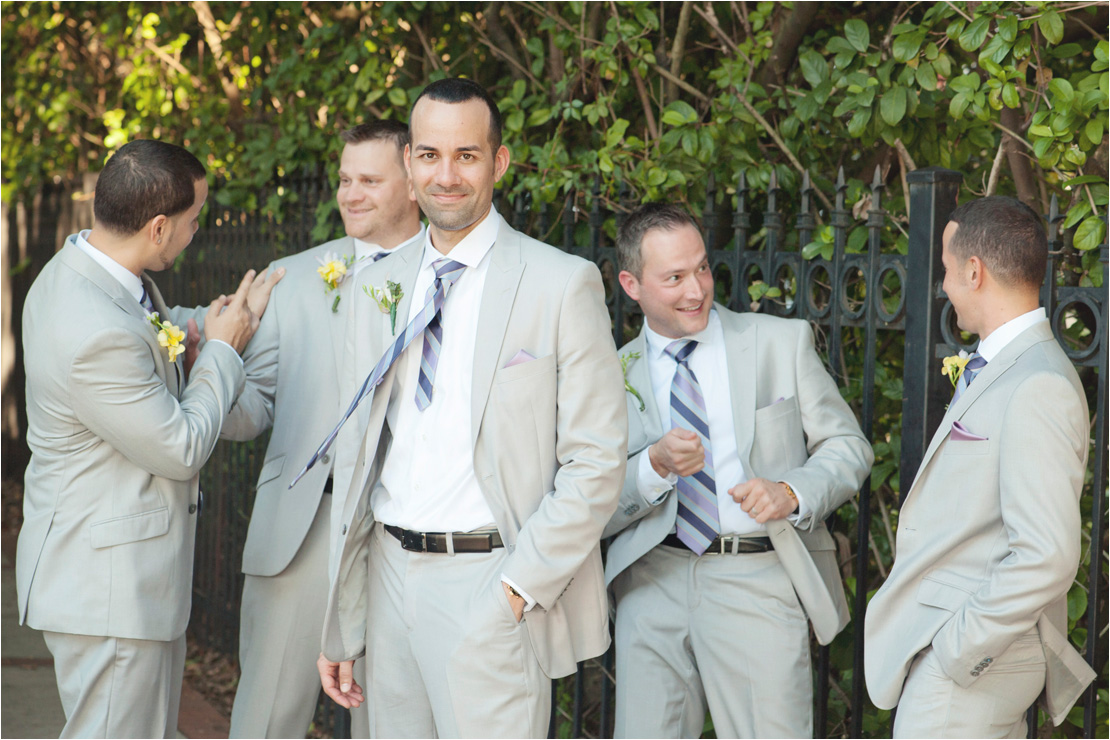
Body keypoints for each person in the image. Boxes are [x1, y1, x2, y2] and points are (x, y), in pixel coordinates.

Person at [311, 77, 627, 738]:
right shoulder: (378, 286)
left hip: (491, 583)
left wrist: (515, 591)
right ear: (408, 164)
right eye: (429, 155)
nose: (445, 175)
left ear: (499, 163)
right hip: (388, 582)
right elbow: (357, 456)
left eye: (466, 156)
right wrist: (343, 616)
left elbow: (597, 462)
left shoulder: (558, 283)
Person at [15, 139, 281, 738]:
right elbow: (181, 448)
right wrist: (221, 350)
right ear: (158, 226)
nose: (196, 232)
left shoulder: (93, 268)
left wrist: (199, 327)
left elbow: (147, 337)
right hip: (107, 589)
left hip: (128, 582)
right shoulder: (90, 329)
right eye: (193, 221)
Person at [603, 203, 873, 738]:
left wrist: (792, 492)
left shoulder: (779, 342)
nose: (696, 290)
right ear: (631, 284)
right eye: (674, 277)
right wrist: (654, 468)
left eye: (701, 268)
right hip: (650, 580)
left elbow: (849, 446)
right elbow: (592, 502)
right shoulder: (612, 373)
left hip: (756, 576)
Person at [221, 119, 423, 738]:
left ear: (414, 183)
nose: (350, 194)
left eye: (368, 180)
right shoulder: (292, 276)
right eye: (343, 179)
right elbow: (250, 412)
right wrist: (212, 361)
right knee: (266, 716)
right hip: (301, 530)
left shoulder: (448, 277)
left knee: (392, 719)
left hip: (402, 533)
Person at [864, 196, 1095, 737]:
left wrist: (956, 650)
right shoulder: (1010, 366)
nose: (942, 286)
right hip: (975, 661)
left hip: (972, 665)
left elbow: (1047, 554)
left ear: (974, 271)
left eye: (946, 270)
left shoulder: (1035, 382)